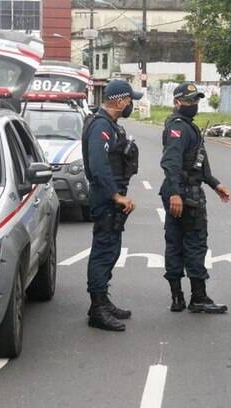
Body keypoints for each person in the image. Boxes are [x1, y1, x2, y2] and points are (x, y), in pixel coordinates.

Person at [159, 83, 231, 314]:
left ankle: (179, 298)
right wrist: (176, 193)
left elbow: (198, 163)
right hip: (184, 194)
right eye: (189, 101)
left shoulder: (188, 128)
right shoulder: (178, 128)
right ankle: (194, 297)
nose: (194, 105)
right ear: (178, 102)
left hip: (183, 190)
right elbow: (171, 162)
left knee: (177, 242)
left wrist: (214, 183)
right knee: (193, 243)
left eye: (196, 100)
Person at [81, 80, 142, 331]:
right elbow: (98, 165)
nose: (131, 105)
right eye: (129, 100)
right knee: (104, 251)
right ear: (120, 101)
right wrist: (116, 196)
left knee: (111, 250)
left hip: (110, 198)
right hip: (106, 198)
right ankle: (97, 308)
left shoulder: (109, 125)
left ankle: (103, 301)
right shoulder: (101, 127)